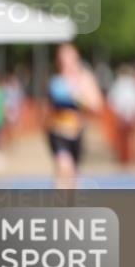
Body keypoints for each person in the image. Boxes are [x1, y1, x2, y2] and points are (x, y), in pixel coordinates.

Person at [47, 43, 103, 189]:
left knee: (73, 176)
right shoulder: (55, 79)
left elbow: (97, 104)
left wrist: (79, 97)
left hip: (77, 132)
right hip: (57, 132)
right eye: (62, 58)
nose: (66, 62)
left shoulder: (85, 79)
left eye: (69, 57)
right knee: (64, 168)